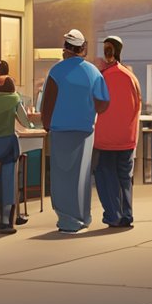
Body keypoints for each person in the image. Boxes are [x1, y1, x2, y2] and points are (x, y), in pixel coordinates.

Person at [40, 29, 110, 234]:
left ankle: (67, 220)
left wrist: (46, 123)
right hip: (85, 130)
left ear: (66, 49)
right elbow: (103, 103)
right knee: (82, 175)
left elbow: (48, 103)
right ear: (83, 49)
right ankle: (83, 217)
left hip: (61, 130)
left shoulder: (56, 71)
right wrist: (89, 109)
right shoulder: (93, 72)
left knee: (62, 176)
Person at [93, 35, 140, 228]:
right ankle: (126, 215)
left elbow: (96, 105)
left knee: (105, 175)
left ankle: (114, 215)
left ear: (109, 52)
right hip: (127, 138)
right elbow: (138, 104)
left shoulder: (103, 77)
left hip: (107, 138)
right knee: (124, 177)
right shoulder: (131, 77)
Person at [0, 75, 34, 233]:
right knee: (9, 180)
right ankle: (5, 219)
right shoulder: (14, 99)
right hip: (6, 148)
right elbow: (24, 121)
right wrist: (31, 124)